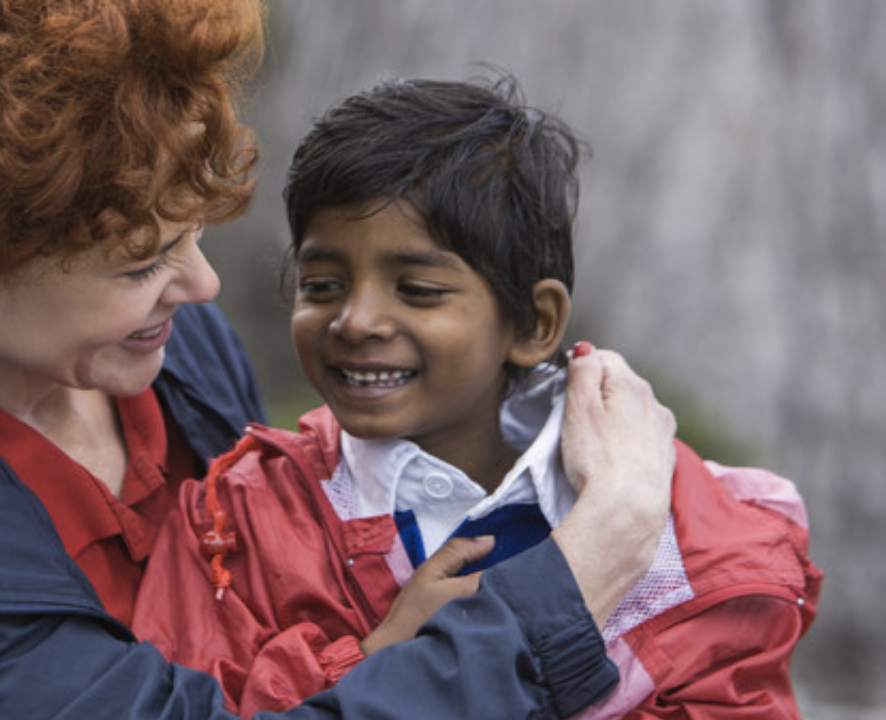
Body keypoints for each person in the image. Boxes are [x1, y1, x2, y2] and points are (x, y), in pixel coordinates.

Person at [0, 3, 676, 718]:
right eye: (140, 261)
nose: (201, 290)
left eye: (193, 235)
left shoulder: (154, 363)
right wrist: (588, 564)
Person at [132, 76, 823, 718]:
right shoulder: (237, 524)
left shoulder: (674, 525)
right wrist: (381, 655)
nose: (356, 320)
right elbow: (189, 701)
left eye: (419, 290)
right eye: (322, 285)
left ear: (533, 323)